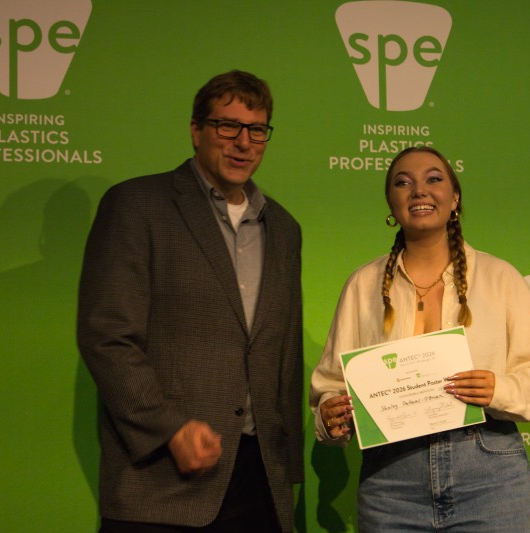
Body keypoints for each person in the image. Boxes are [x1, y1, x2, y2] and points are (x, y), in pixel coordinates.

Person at [78, 70, 303, 532]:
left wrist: (287, 470)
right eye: (228, 126)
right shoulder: (138, 205)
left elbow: (284, 354)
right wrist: (169, 428)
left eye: (257, 130)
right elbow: (107, 335)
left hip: (260, 482)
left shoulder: (284, 228)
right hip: (163, 478)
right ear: (196, 130)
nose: (243, 143)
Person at [310, 146, 530, 532]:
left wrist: (498, 389)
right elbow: (331, 386)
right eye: (403, 183)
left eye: (433, 179)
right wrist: (330, 416)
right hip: (391, 482)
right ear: (391, 204)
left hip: (489, 476)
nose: (419, 190)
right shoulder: (362, 286)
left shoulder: (500, 278)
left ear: (455, 198)